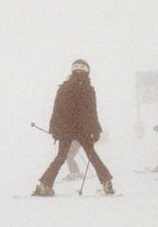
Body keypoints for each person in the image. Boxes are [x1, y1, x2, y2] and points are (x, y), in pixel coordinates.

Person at [34, 59, 115, 196]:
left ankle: (45, 185)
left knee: (60, 157)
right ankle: (106, 182)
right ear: (87, 71)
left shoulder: (63, 88)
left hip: (66, 130)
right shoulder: (89, 89)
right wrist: (96, 131)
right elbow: (92, 113)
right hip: (84, 130)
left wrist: (54, 129)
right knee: (93, 156)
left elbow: (56, 111)